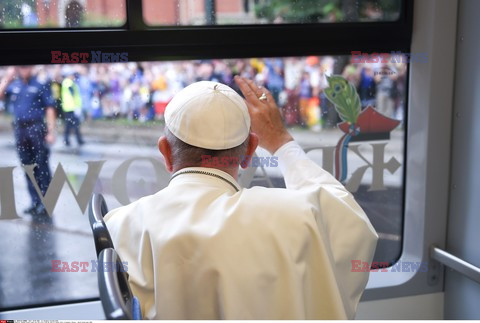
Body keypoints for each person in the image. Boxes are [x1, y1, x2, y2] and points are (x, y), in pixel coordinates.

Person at [104, 77, 378, 319]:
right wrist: (282, 142)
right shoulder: (296, 215)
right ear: (249, 152)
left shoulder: (120, 226)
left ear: (165, 152)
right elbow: (351, 222)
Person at [0, 66, 56, 218]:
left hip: (36, 127)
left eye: (26, 66)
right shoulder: (14, 84)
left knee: (41, 166)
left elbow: (50, 108)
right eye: (20, 66)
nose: (23, 69)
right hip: (20, 129)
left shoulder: (40, 83)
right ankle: (35, 202)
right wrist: (8, 76)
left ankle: (46, 203)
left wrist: (51, 131)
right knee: (27, 166)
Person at [61, 68, 84, 146]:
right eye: (72, 75)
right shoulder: (68, 82)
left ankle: (67, 140)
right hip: (71, 108)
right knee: (74, 124)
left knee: (69, 125)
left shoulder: (70, 82)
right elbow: (73, 94)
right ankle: (78, 140)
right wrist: (76, 107)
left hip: (70, 108)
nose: (74, 76)